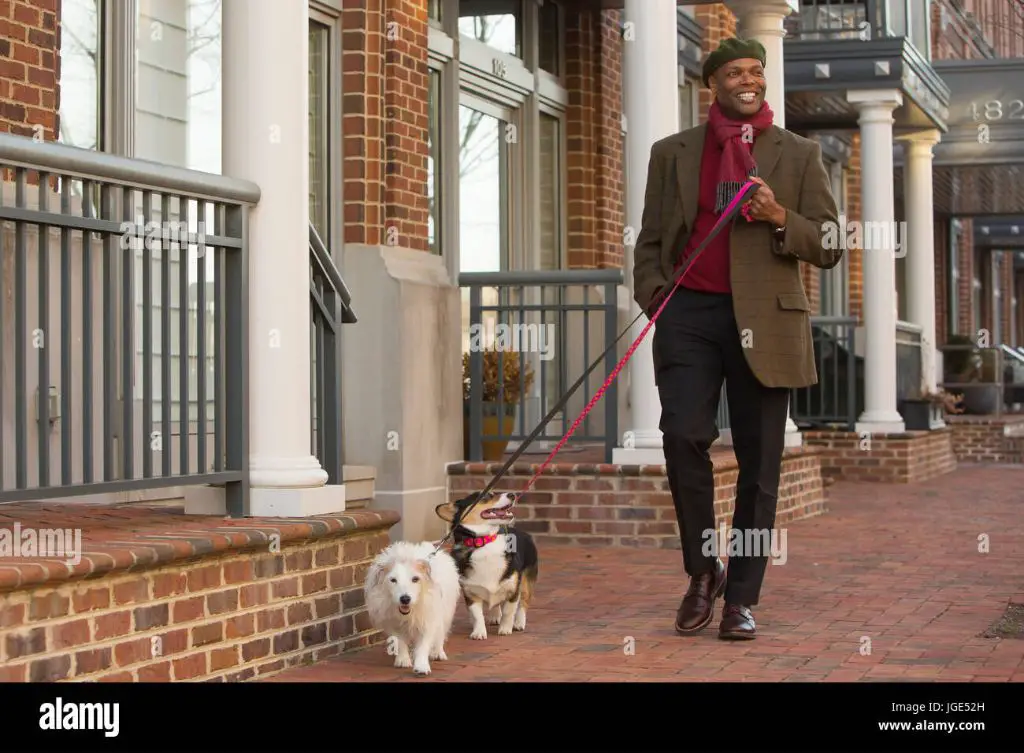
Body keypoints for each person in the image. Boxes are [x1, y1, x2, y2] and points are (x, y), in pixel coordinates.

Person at [631, 37, 842, 640]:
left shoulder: (799, 155)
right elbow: (650, 241)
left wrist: (780, 218)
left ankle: (741, 599)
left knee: (759, 465)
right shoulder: (672, 153)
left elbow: (829, 243)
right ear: (713, 84)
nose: (748, 80)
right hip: (689, 315)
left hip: (767, 320)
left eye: (756, 71)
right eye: (734, 73)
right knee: (682, 438)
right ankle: (703, 570)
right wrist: (656, 299)